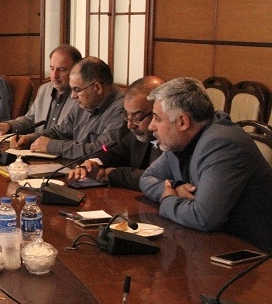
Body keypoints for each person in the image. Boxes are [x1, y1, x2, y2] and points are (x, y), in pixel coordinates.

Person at [140, 77, 272, 251]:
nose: (151, 126)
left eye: (157, 118)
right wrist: (175, 187)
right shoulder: (179, 140)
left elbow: (203, 218)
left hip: (252, 252)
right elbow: (147, 178)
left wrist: (168, 199)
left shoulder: (222, 144)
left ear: (182, 122)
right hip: (209, 242)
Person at [67, 76, 164, 190]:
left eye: (138, 117)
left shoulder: (172, 139)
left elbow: (155, 178)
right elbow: (118, 152)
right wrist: (93, 163)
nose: (130, 125)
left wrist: (111, 174)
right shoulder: (139, 133)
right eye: (127, 116)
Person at [19, 56, 124, 159]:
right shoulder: (83, 103)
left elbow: (102, 150)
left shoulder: (122, 109)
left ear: (97, 88)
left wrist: (51, 146)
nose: (73, 96)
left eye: (76, 90)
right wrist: (30, 138)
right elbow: (61, 131)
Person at [0, 44, 81, 138]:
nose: (54, 75)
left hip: (60, 146)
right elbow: (30, 120)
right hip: (35, 145)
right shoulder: (44, 90)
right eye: (52, 68)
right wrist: (8, 126)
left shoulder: (81, 96)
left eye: (61, 69)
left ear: (76, 70)